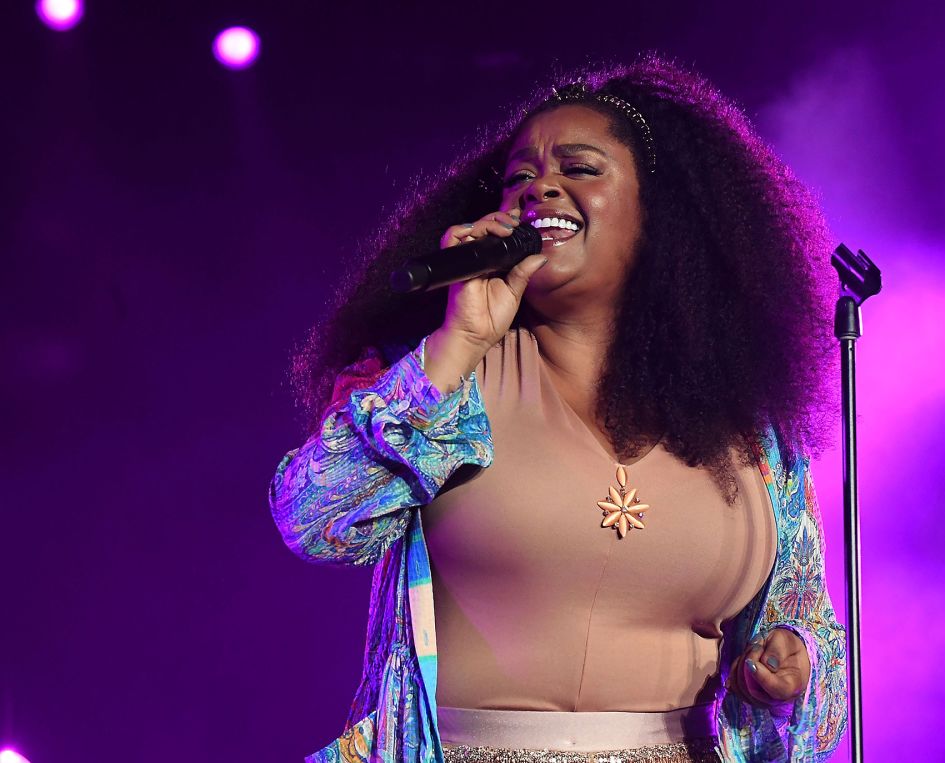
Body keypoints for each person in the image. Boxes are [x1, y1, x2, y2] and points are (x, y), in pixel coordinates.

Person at [270, 54, 847, 763]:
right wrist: (458, 343)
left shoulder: (749, 432)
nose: (540, 186)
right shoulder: (440, 379)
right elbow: (314, 521)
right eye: (518, 178)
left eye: (579, 168)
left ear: (660, 212)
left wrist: (791, 671)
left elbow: (805, 641)